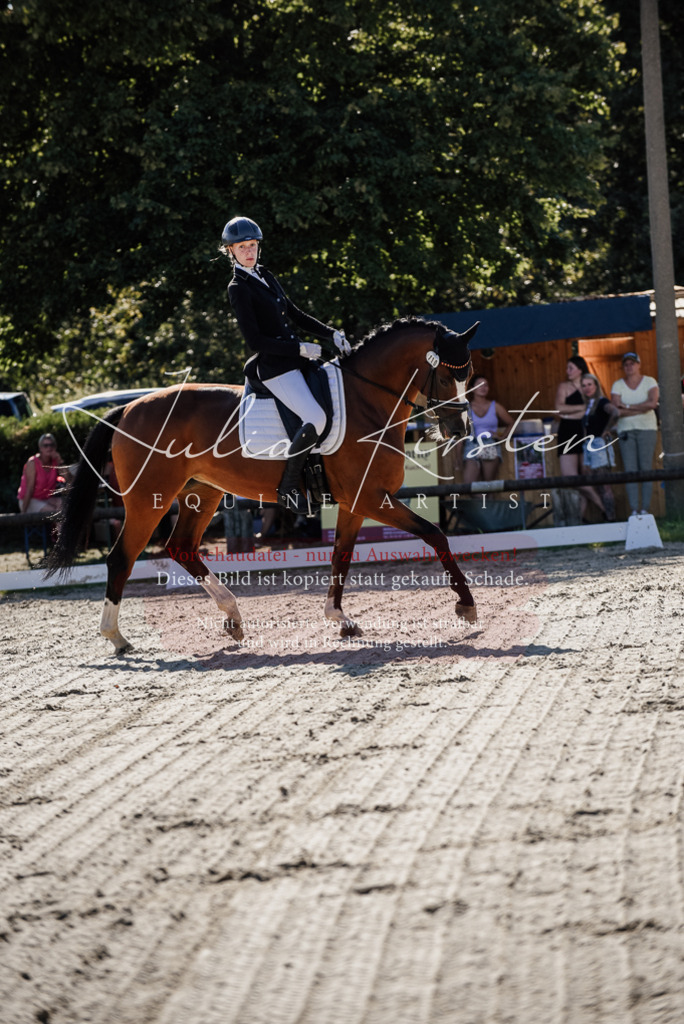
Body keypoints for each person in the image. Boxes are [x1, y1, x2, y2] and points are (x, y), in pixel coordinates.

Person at [221, 216, 351, 509]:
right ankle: (289, 487)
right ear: (230, 250)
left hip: (296, 361)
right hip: (274, 367)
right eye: (241, 247)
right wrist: (298, 349)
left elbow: (295, 313)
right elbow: (255, 341)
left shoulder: (265, 274)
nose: (249, 251)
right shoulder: (238, 287)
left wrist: (331, 334)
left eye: (252, 245)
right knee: (316, 419)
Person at [554, 355, 606, 520]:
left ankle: (581, 518)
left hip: (586, 431)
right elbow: (559, 408)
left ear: (580, 369)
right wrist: (583, 408)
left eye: (571, 368)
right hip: (567, 431)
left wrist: (574, 412)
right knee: (570, 476)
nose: (567, 371)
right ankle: (603, 506)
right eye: (567, 367)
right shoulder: (564, 386)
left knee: (585, 474)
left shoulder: (589, 384)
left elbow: (599, 405)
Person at [611, 351, 659, 516]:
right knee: (630, 470)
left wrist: (629, 407)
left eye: (632, 363)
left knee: (645, 468)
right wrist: (641, 408)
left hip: (647, 429)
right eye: (626, 364)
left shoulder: (649, 381)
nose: (629, 366)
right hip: (625, 430)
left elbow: (653, 403)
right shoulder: (618, 384)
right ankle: (634, 509)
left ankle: (645, 508)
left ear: (639, 364)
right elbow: (617, 411)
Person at [461, 374, 514, 484]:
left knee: (488, 485)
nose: (483, 387)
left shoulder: (495, 406)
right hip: (472, 444)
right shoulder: (466, 408)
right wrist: (457, 456)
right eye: (479, 385)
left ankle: (489, 500)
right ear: (471, 388)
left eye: (486, 385)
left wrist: (502, 437)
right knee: (468, 485)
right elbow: (460, 433)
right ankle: (484, 500)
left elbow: (512, 423)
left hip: (489, 443)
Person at [580, 373, 618, 521]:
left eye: (590, 384)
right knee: (587, 483)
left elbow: (615, 412)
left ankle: (611, 518)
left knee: (604, 485)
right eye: (584, 385)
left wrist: (606, 429)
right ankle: (581, 518)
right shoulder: (587, 405)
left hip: (599, 444)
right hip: (587, 445)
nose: (587, 388)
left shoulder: (602, 402)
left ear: (596, 386)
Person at [17, 433, 64, 514]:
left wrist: (60, 461)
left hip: (45, 499)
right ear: (40, 448)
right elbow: (29, 489)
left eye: (51, 445)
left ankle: (61, 527)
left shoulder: (55, 461)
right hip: (30, 500)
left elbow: (69, 479)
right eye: (45, 445)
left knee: (64, 506)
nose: (49, 448)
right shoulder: (32, 463)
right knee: (56, 513)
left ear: (55, 447)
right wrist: (23, 513)